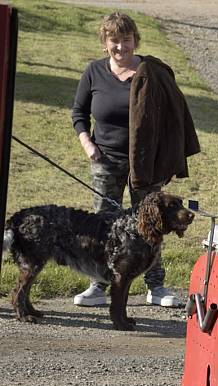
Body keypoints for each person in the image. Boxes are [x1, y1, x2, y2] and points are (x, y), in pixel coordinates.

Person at [71, 12, 199, 308]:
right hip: (105, 160)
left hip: (146, 163)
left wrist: (166, 158)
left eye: (126, 40)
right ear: (105, 43)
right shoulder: (93, 72)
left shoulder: (151, 72)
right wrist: (87, 143)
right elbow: (79, 114)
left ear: (135, 40)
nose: (120, 47)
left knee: (152, 224)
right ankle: (98, 286)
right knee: (104, 226)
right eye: (114, 40)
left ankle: (157, 287)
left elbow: (173, 118)